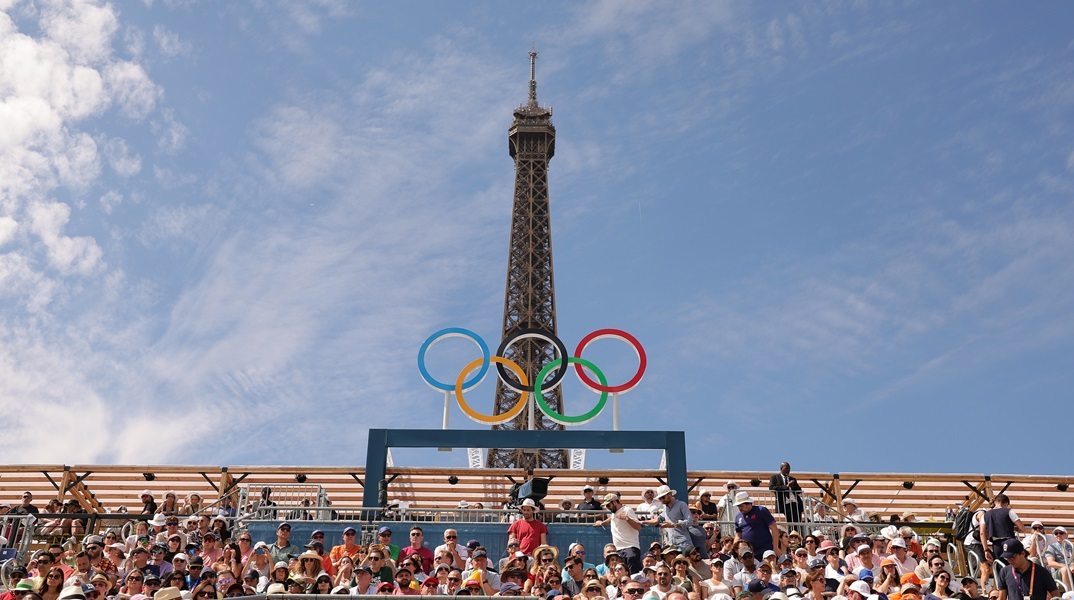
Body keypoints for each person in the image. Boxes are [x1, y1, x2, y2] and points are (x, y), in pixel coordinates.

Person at [594, 493, 644, 575]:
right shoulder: (614, 513)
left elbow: (638, 527)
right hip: (619, 550)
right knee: (620, 576)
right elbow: (613, 518)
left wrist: (627, 518)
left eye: (608, 505)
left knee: (633, 575)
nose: (607, 508)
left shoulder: (627, 510)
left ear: (614, 502)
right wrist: (603, 523)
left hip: (630, 548)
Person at [733, 493, 782, 558]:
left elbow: (774, 528)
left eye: (741, 506)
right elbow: (738, 535)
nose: (739, 508)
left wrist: (775, 547)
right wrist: (735, 549)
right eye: (738, 506)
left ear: (748, 503)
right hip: (748, 553)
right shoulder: (738, 516)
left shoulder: (761, 511)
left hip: (764, 550)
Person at [981, 494, 1024, 565]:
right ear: (1006, 504)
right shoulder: (1009, 512)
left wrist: (986, 549)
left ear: (995, 503)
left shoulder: (985, 515)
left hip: (996, 544)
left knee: (1000, 566)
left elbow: (982, 533)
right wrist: (1014, 528)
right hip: (1009, 541)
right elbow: (1022, 529)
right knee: (1014, 564)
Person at [650, 486, 692, 553]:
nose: (662, 500)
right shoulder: (666, 509)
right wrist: (641, 522)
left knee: (685, 562)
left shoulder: (681, 505)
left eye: (663, 497)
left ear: (670, 494)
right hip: (672, 543)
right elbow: (656, 520)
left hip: (684, 542)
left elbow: (689, 521)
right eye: (660, 498)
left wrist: (673, 525)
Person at [1043, 526, 1073, 591]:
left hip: (1071, 567)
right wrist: (1068, 567)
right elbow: (1051, 563)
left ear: (1066, 535)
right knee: (1065, 570)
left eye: (1061, 533)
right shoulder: (1051, 547)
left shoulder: (1071, 546)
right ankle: (1070, 593)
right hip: (1058, 571)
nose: (1058, 535)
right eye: (1056, 533)